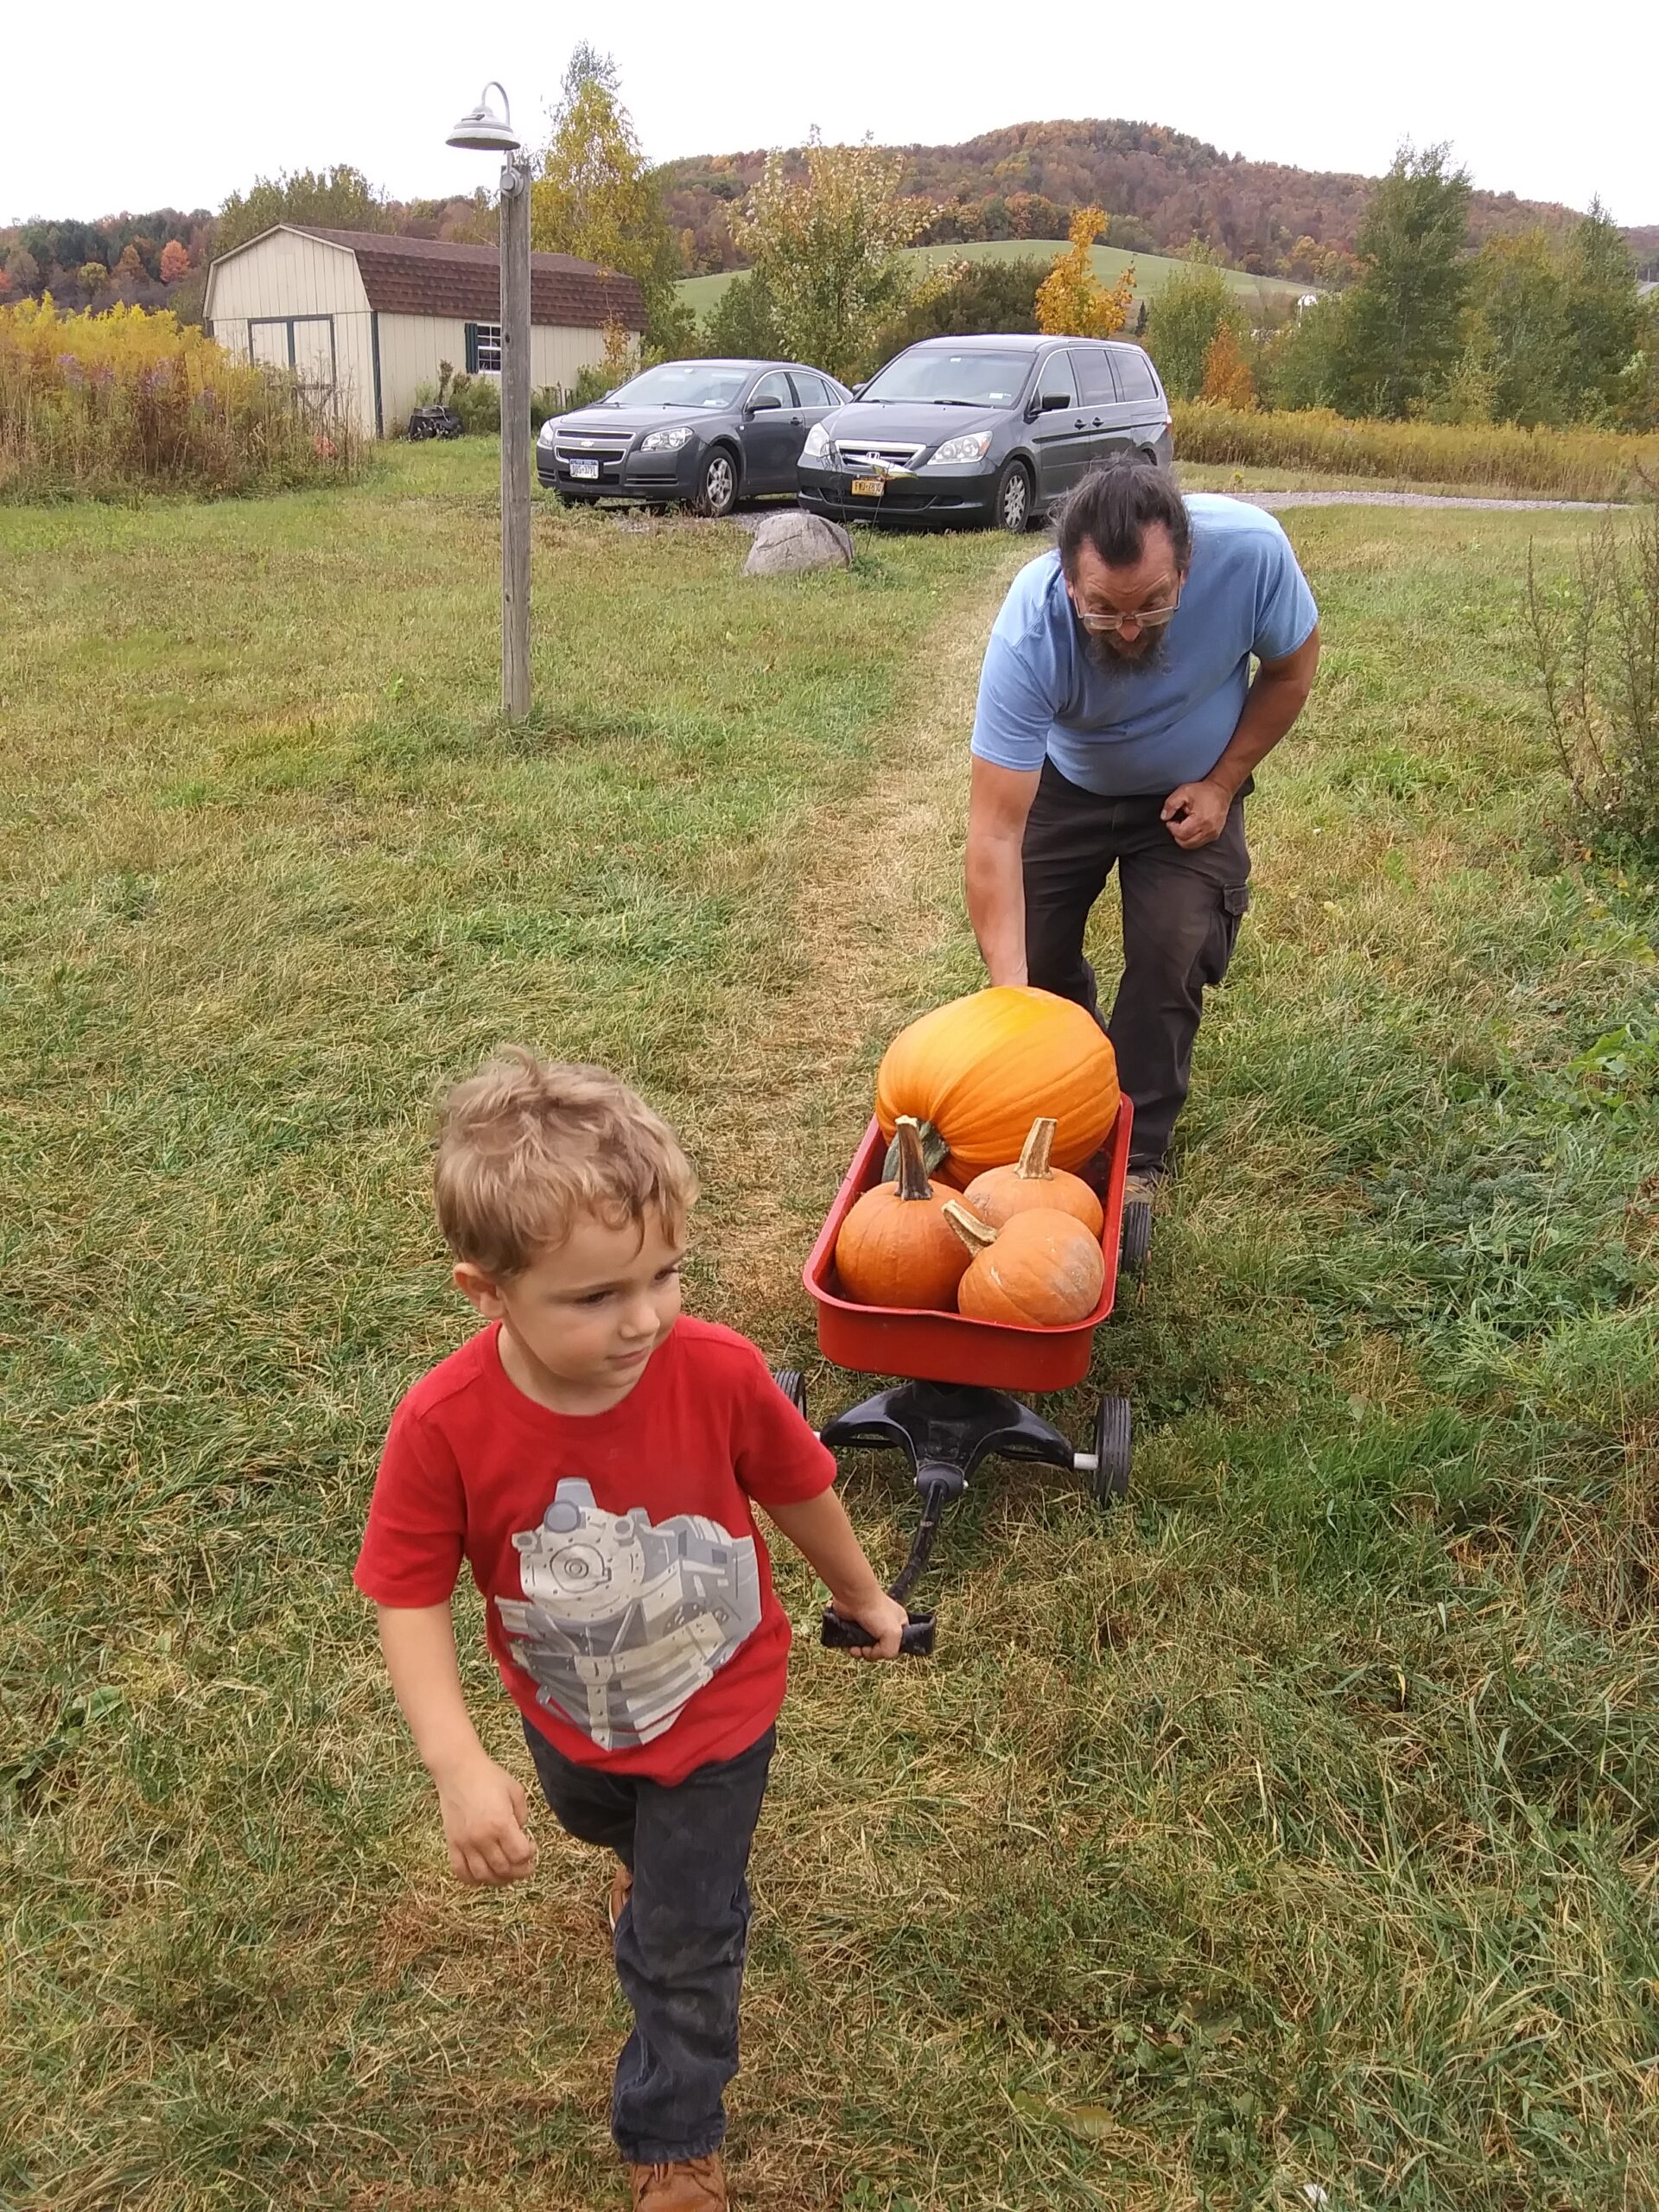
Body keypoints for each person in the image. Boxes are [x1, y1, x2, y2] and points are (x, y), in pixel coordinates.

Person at [354, 1052, 908, 2212]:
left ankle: (674, 2136)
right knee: (599, 1817)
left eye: (665, 1275)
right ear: (485, 1291)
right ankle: (639, 1867)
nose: (645, 1317)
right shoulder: (445, 1425)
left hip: (718, 1711)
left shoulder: (718, 1371)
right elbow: (407, 1592)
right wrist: (457, 1762)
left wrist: (864, 1595)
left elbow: (801, 1489)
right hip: (571, 1713)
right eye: (596, 1297)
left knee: (686, 1937)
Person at [966, 459, 1320, 1186]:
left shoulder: (1251, 553)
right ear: (1069, 582)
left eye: (1154, 605)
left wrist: (1223, 784)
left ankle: (1133, 1152)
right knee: (1032, 960)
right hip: (1070, 784)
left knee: (1172, 949)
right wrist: (1015, 1004)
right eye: (1103, 609)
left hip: (1192, 788)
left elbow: (1292, 670)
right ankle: (1075, 1078)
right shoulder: (1031, 627)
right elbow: (994, 833)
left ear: (1186, 569)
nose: (1129, 629)